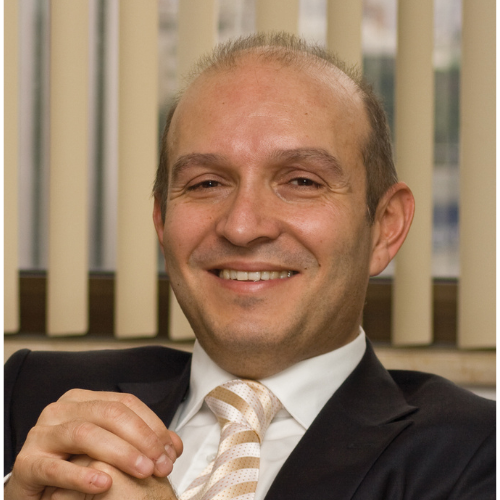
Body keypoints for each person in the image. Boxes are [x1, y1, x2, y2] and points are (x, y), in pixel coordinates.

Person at [4, 33, 495, 500]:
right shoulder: (30, 395)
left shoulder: (475, 454)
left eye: (301, 181)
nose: (242, 226)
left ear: (384, 227)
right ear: (162, 220)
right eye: (206, 184)